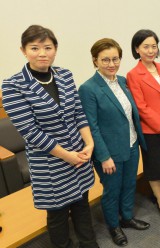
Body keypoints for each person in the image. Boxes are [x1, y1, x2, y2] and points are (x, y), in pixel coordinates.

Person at [2, 25, 98, 248]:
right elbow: (30, 132)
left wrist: (89, 143)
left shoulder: (64, 75)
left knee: (83, 204)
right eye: (34, 48)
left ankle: (89, 243)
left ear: (55, 49)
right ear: (23, 50)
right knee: (58, 214)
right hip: (49, 161)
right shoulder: (13, 86)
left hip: (80, 154)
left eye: (48, 47)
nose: (42, 53)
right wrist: (68, 156)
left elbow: (78, 112)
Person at [79, 38, 149, 247]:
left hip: (131, 143)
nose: (111, 64)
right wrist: (104, 156)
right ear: (95, 60)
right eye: (105, 60)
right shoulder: (88, 88)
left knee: (129, 184)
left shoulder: (122, 81)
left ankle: (126, 218)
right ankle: (113, 226)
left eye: (115, 59)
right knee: (112, 190)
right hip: (109, 152)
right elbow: (92, 127)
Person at [127, 29, 160, 220]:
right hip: (152, 130)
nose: (150, 50)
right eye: (145, 46)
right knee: (155, 167)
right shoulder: (133, 74)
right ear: (137, 49)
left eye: (154, 46)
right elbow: (141, 106)